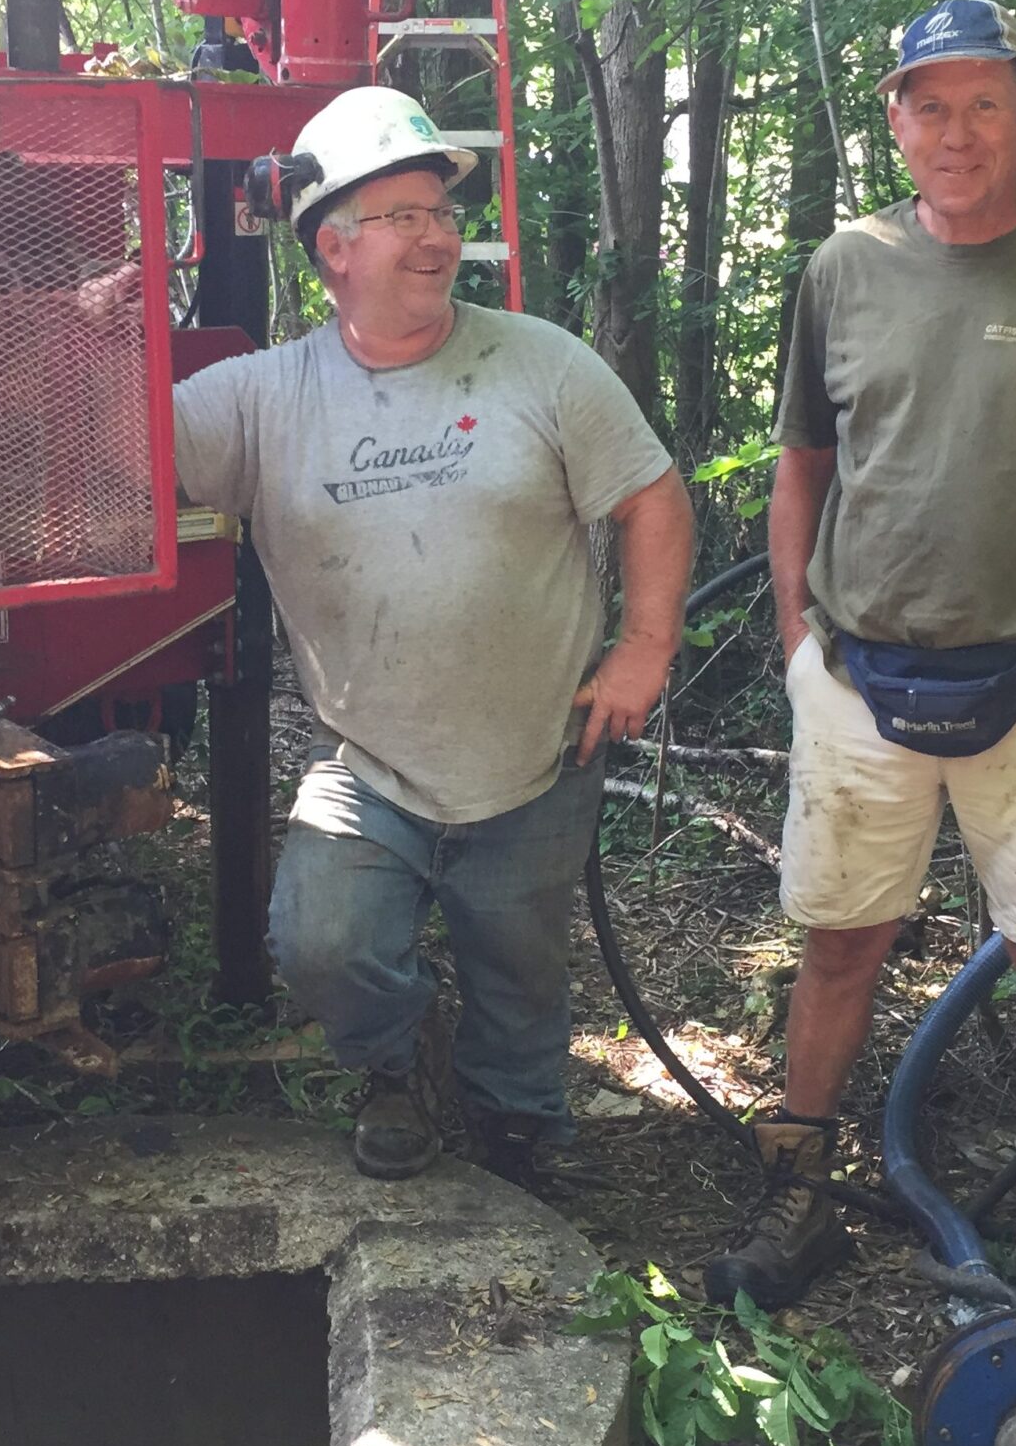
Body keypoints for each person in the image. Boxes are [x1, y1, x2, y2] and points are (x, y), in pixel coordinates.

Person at [704, 0, 1016, 1326]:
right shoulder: (845, 268)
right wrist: (800, 643)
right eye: (932, 105)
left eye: (987, 103)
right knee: (838, 939)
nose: (960, 130)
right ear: (896, 119)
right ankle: (799, 1180)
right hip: (860, 677)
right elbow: (802, 462)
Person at [168, 86, 695, 1189]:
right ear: (333, 248)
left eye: (443, 214)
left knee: (520, 961)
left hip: (539, 749)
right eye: (406, 214)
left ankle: (516, 1119)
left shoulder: (541, 364)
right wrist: (99, 330)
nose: (440, 236)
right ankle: (394, 1066)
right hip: (372, 766)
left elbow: (652, 494)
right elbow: (117, 440)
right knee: (323, 937)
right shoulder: (264, 398)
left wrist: (645, 646)